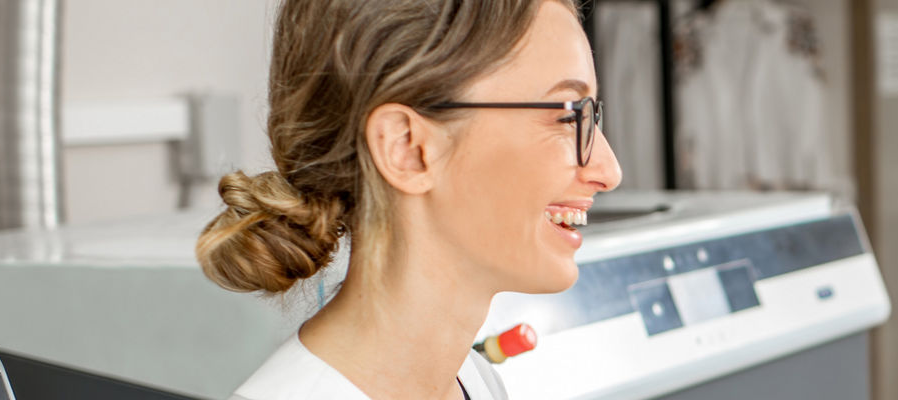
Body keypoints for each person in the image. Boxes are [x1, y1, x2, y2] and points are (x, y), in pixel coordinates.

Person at [194, 0, 621, 398]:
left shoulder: (474, 380)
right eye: (568, 115)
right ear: (407, 149)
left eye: (591, 114)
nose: (608, 170)